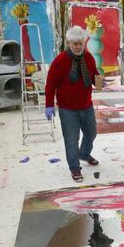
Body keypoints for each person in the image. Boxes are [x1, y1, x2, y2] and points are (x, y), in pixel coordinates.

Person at [45, 25, 100, 182]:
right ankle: (75, 168)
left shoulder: (89, 58)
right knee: (71, 139)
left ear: (84, 42)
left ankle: (84, 153)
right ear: (68, 43)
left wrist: (99, 79)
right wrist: (49, 104)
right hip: (68, 109)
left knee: (91, 133)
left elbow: (94, 74)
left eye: (80, 43)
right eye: (74, 43)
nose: (77, 46)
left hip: (86, 105)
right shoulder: (60, 60)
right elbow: (50, 84)